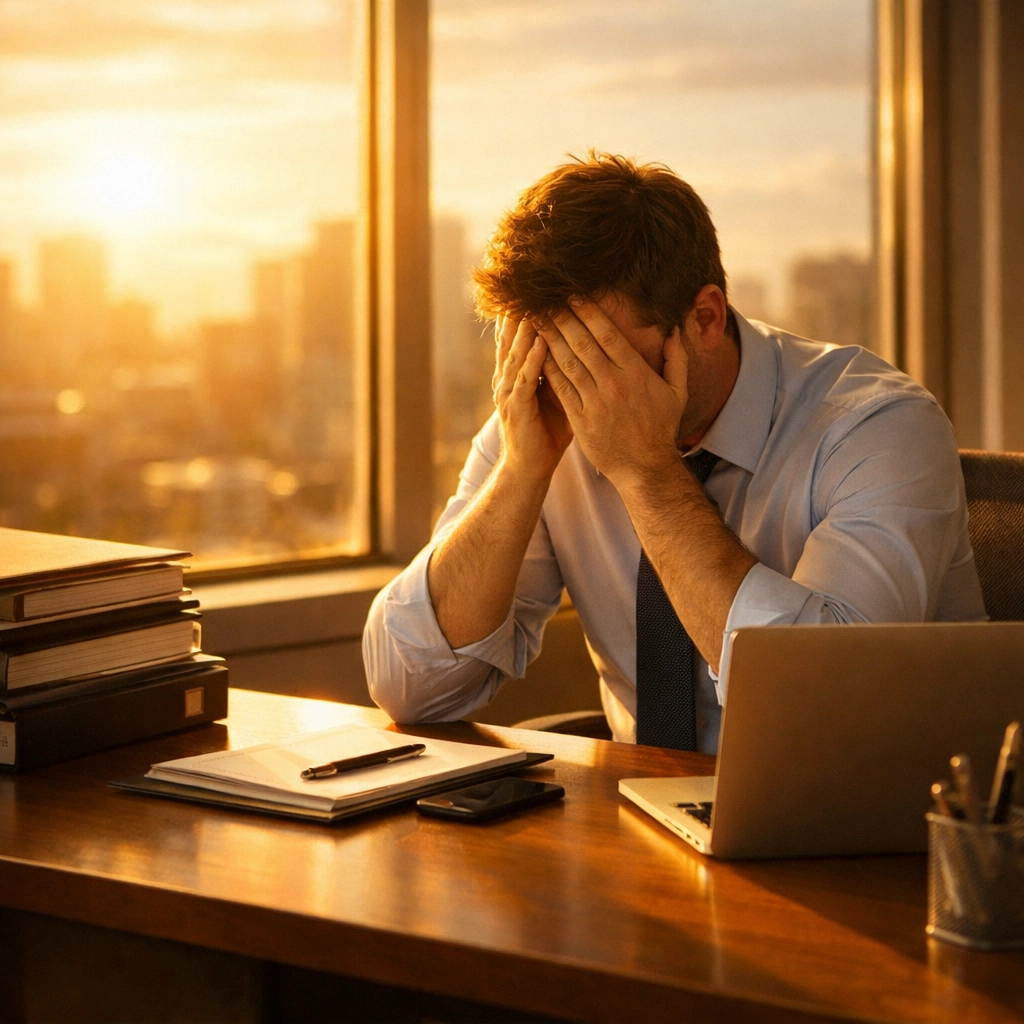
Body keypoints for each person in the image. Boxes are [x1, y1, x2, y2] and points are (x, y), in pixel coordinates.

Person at [362, 153, 986, 752]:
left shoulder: (878, 427)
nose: (573, 386)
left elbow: (833, 709)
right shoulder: (542, 413)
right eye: (547, 350)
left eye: (599, 355)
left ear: (706, 318)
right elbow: (409, 687)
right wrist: (521, 472)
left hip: (879, 833)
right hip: (643, 823)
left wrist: (650, 474)